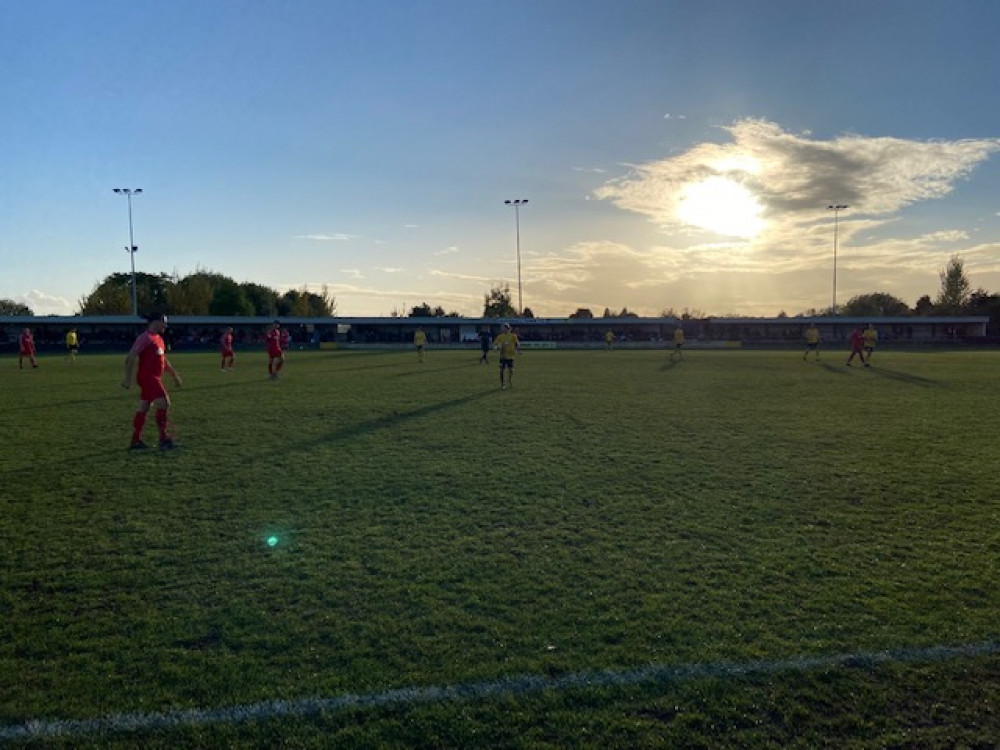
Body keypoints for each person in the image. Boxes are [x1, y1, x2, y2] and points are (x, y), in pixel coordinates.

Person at [122, 314, 182, 450]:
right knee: (164, 403)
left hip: (154, 377)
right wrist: (127, 379)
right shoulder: (145, 338)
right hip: (148, 378)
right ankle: (163, 439)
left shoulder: (159, 339)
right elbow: (130, 357)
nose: (166, 326)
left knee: (144, 406)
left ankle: (135, 440)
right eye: (164, 322)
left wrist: (174, 376)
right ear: (156, 322)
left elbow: (163, 361)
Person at [494, 323, 520, 389]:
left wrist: (518, 348)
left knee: (511, 370)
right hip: (503, 356)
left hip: (511, 356)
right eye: (503, 328)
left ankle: (509, 380)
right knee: (501, 370)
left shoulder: (513, 336)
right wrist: (496, 347)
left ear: (509, 329)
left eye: (506, 328)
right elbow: (496, 343)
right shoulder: (500, 336)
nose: (504, 329)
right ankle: (503, 384)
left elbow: (517, 343)